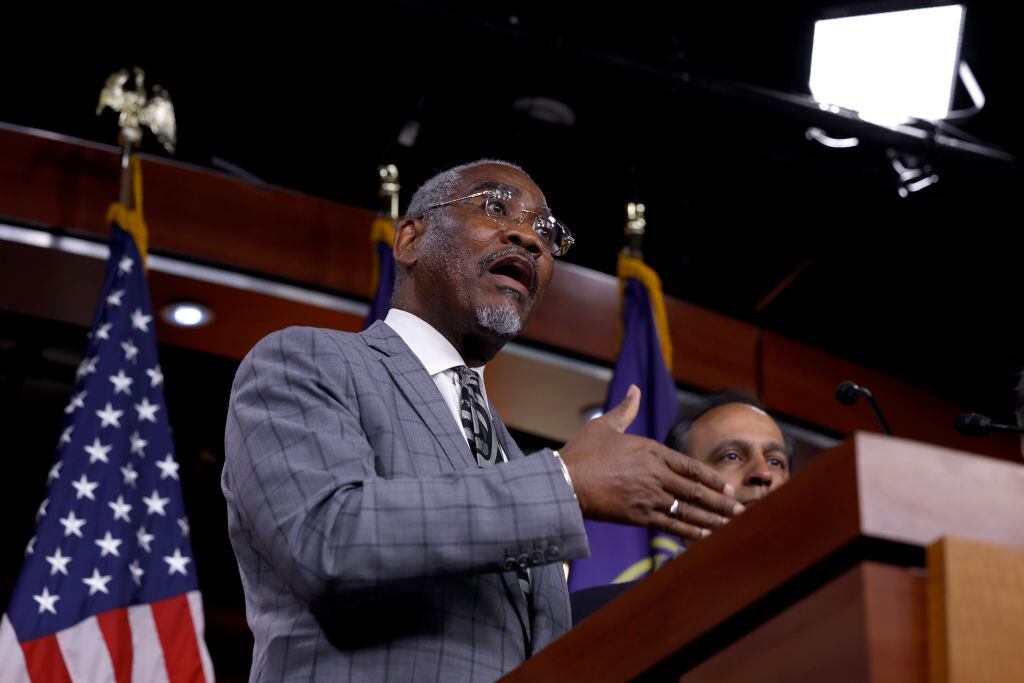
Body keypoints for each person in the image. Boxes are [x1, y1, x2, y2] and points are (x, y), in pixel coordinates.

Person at [222, 159, 744, 681]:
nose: (530, 238)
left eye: (546, 230)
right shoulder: (303, 361)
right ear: (410, 240)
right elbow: (326, 539)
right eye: (495, 206)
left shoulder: (507, 455)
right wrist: (566, 485)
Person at [570, 390, 791, 625]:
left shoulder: (829, 600)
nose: (763, 473)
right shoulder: (590, 617)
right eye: (732, 456)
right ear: (676, 486)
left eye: (775, 461)